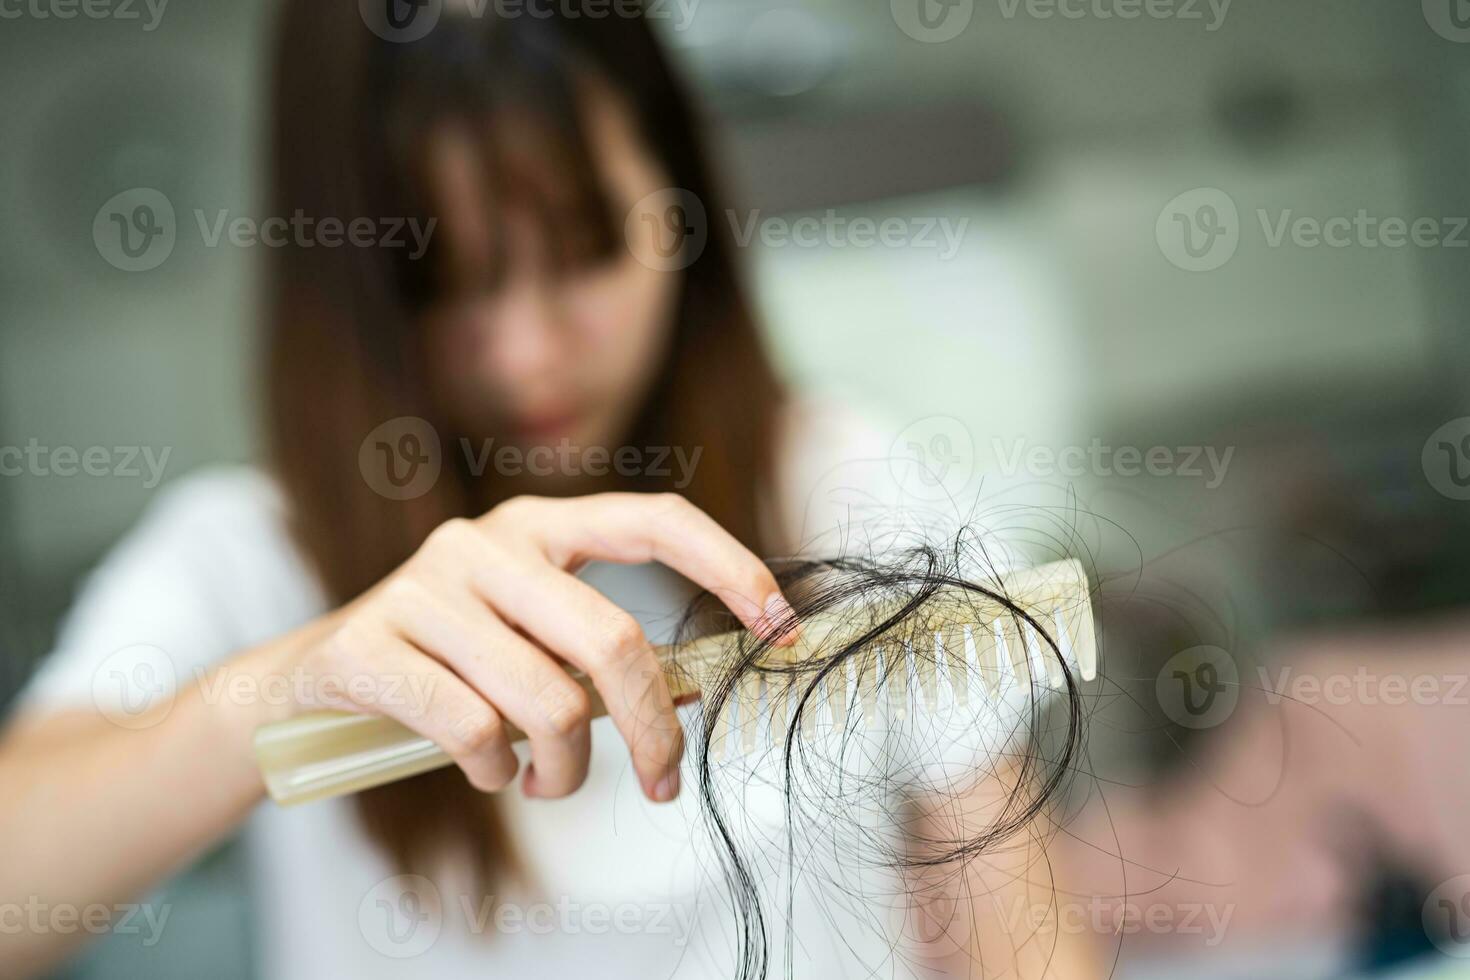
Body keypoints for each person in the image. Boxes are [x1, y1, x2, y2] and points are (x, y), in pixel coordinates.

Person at [0, 4, 1094, 978]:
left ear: (678, 205)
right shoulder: (240, 558)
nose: (527, 355)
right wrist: (287, 685)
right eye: (439, 281)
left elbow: (1023, 941)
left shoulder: (843, 478)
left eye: (584, 248)